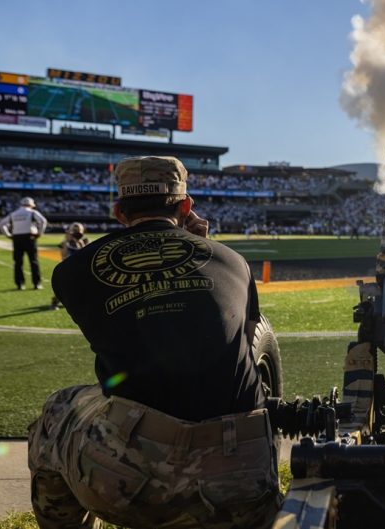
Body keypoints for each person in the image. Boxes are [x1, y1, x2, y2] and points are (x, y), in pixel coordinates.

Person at [28, 156, 280, 529]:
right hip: (244, 486)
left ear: (118, 211)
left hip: (137, 489)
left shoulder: (71, 272)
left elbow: (143, 329)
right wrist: (201, 246)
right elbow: (234, 337)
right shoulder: (235, 263)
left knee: (58, 407)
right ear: (185, 206)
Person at [0, 196, 48, 289]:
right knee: (33, 261)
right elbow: (43, 221)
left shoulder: (14, 214)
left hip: (17, 238)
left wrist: (8, 235)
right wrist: (40, 233)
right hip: (30, 237)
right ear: (31, 205)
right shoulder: (32, 212)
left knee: (18, 262)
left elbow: (2, 224)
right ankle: (37, 283)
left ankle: (20, 284)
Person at [49, 222, 90, 310]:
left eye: (79, 230)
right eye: (74, 230)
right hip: (69, 267)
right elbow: (64, 256)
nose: (77, 232)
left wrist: (80, 242)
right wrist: (66, 242)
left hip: (81, 267)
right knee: (65, 287)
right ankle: (55, 302)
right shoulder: (66, 243)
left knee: (83, 287)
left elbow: (85, 254)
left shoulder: (85, 241)